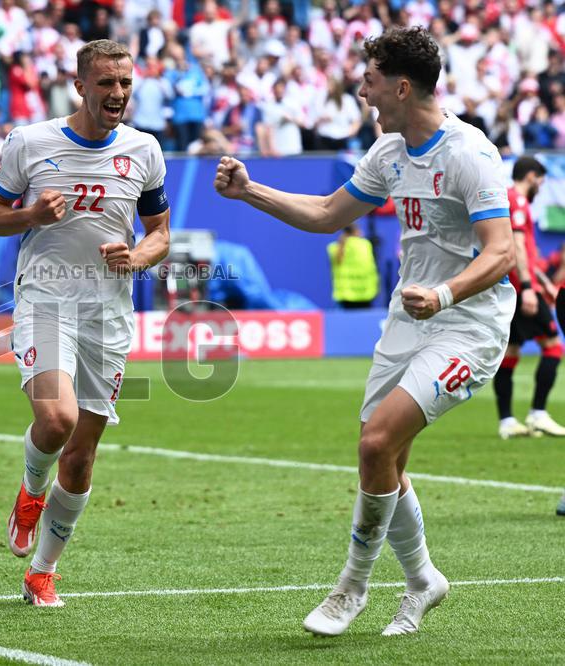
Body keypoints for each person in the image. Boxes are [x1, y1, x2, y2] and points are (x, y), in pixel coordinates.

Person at [214, 27, 514, 637]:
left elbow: (502, 253)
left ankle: (351, 587)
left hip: (468, 324)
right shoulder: (390, 153)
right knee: (384, 457)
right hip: (409, 320)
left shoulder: (470, 154)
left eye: (370, 79)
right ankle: (425, 579)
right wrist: (250, 191)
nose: (360, 89)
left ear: (401, 86)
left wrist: (444, 292)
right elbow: (328, 215)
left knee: (376, 444)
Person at [0, 39, 170, 607]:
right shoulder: (30, 142)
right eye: (106, 83)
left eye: (126, 83)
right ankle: (30, 493)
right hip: (45, 299)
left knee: (82, 457)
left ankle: (43, 570)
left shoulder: (145, 150)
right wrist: (32, 214)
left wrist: (138, 257)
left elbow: (160, 233)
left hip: (108, 313)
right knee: (56, 420)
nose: (117, 94)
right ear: (80, 85)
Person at [493, 157, 565, 439]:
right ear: (531, 176)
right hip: (521, 287)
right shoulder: (519, 202)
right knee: (553, 347)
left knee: (510, 353)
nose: (540, 186)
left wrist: (542, 283)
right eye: (540, 180)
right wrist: (527, 287)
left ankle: (507, 421)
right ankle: (538, 413)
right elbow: (519, 246)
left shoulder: (507, 200)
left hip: (512, 287)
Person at [327, 224, 379, 309]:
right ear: (357, 231)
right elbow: (370, 269)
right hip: (365, 293)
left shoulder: (333, 248)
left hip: (344, 294)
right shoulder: (365, 245)